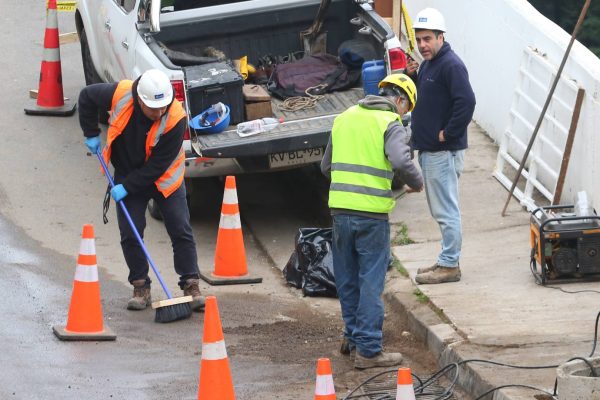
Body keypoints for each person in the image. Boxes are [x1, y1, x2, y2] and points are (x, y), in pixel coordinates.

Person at [78, 69, 205, 311]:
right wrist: (91, 133)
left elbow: (157, 166)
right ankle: (140, 287)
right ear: (139, 99)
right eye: (153, 108)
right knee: (131, 232)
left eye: (163, 107)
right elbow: (86, 97)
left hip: (164, 177)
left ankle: (191, 284)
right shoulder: (121, 94)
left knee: (180, 228)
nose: (159, 113)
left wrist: (127, 187)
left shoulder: (176, 117)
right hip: (127, 169)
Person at [320, 74, 423, 369]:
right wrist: (415, 182)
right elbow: (402, 162)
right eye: (406, 109)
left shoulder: (344, 118)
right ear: (400, 101)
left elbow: (326, 165)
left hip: (340, 211)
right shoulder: (389, 123)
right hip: (371, 216)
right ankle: (368, 350)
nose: (404, 114)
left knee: (348, 278)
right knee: (370, 282)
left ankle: (351, 337)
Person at [406, 8, 476, 285]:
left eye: (427, 39)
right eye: (419, 39)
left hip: (442, 152)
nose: (422, 45)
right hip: (430, 150)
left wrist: (449, 132)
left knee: (446, 210)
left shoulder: (451, 65)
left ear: (440, 37)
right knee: (441, 209)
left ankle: (449, 265)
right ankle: (446, 260)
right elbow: (429, 98)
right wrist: (413, 77)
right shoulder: (429, 64)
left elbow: (467, 102)